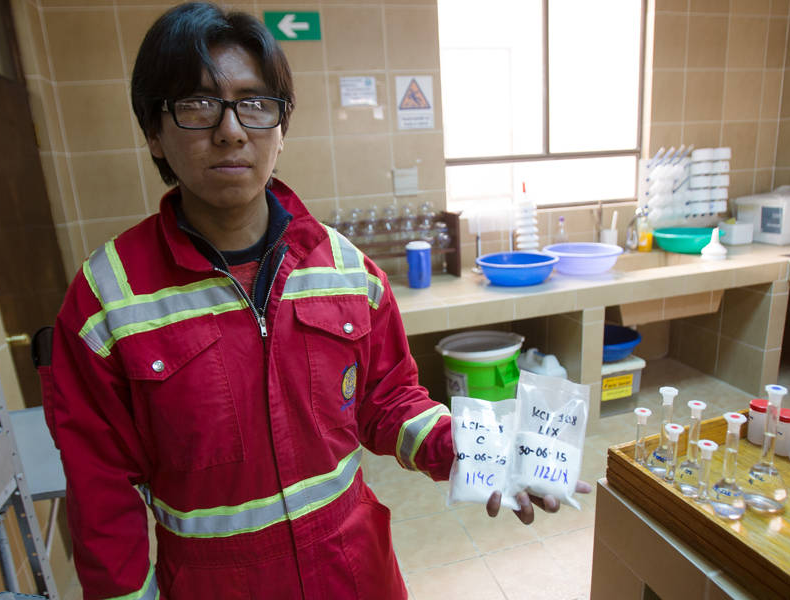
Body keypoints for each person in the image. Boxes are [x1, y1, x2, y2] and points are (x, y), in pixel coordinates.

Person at [43, 3, 590, 598]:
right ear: (154, 128)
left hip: (355, 572)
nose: (231, 130)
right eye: (198, 104)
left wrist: (482, 454)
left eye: (255, 104)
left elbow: (391, 400)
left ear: (281, 127)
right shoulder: (107, 298)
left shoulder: (346, 269)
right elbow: (101, 494)